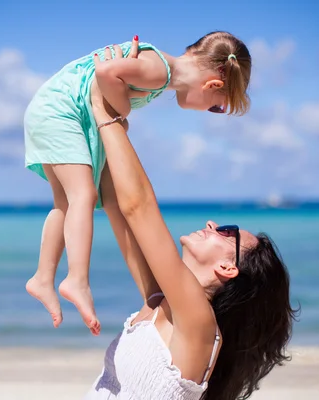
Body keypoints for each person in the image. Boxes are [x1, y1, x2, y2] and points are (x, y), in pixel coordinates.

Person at [82, 44, 297, 400]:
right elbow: (119, 207)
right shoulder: (157, 302)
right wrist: (107, 101)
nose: (212, 223)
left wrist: (107, 115)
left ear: (229, 268)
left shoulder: (199, 325)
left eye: (226, 232)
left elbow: (140, 207)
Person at [25, 32, 252, 336]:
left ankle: (43, 277)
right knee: (84, 195)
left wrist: (116, 109)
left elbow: (108, 75)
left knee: (66, 203)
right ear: (213, 85)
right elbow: (107, 72)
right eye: (215, 106)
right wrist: (121, 113)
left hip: (59, 110)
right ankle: (77, 279)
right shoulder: (160, 71)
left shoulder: (158, 71)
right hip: (62, 112)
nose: (209, 111)